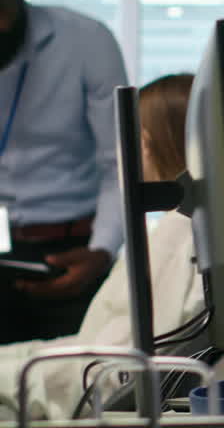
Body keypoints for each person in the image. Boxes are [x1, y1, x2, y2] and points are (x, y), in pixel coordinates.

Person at [0, 73, 206, 421]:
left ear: (143, 143)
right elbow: (94, 349)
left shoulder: (176, 237)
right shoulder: (189, 230)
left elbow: (108, 374)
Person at [0, 0, 130, 344]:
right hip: (7, 252)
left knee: (77, 389)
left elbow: (121, 163)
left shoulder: (85, 41)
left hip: (78, 250)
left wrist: (102, 250)